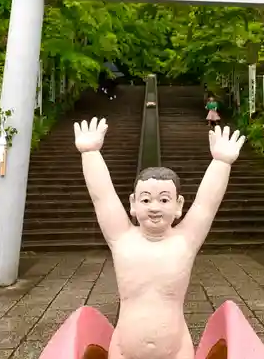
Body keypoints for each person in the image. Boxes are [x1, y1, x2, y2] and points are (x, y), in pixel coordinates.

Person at [74, 118, 245, 359]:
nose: (154, 207)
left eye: (164, 199)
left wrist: (221, 162)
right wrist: (90, 153)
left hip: (177, 351)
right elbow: (102, 197)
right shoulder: (122, 238)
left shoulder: (185, 241)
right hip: (123, 350)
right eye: (146, 199)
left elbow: (207, 204)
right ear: (133, 204)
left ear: (178, 206)